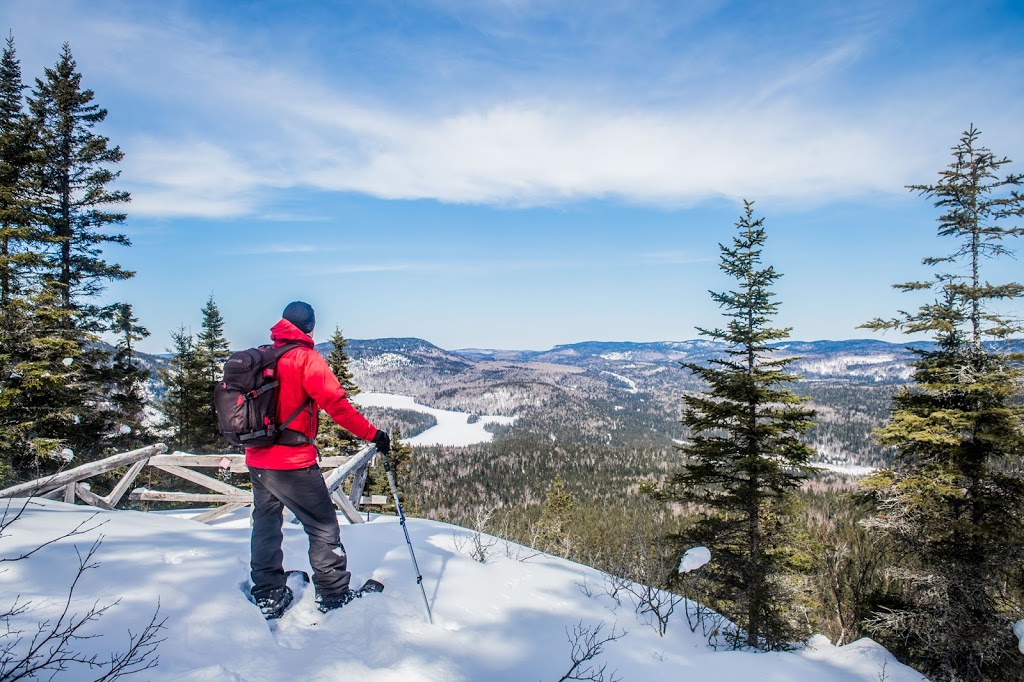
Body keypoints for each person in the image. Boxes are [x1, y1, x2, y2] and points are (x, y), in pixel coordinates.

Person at [246, 301, 391, 619]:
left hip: (257, 459)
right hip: (292, 461)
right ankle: (334, 594)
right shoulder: (305, 359)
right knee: (323, 527)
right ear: (310, 327)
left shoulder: (262, 356)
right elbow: (337, 406)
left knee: (266, 523)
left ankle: (269, 593)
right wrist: (373, 435)